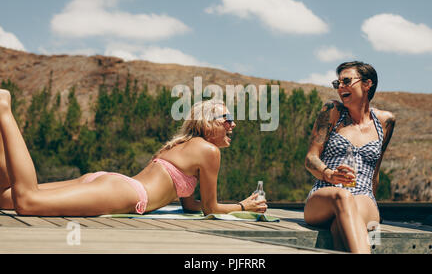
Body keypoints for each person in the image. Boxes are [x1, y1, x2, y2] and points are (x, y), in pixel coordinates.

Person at [0, 92, 267, 216]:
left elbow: (192, 205)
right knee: (28, 202)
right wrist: (245, 206)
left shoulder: (179, 145)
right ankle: (4, 111)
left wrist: (216, 206)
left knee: (7, 198)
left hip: (113, 184)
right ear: (209, 122)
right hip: (126, 193)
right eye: (227, 118)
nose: (233, 124)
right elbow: (211, 209)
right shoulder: (209, 151)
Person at [304, 61, 395, 253]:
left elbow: (375, 171)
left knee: (340, 227)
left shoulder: (385, 121)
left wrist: (373, 204)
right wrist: (329, 174)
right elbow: (310, 159)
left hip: (364, 195)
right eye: (337, 84)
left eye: (346, 81)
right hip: (325, 194)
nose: (340, 88)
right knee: (343, 196)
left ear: (367, 84)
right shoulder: (332, 111)